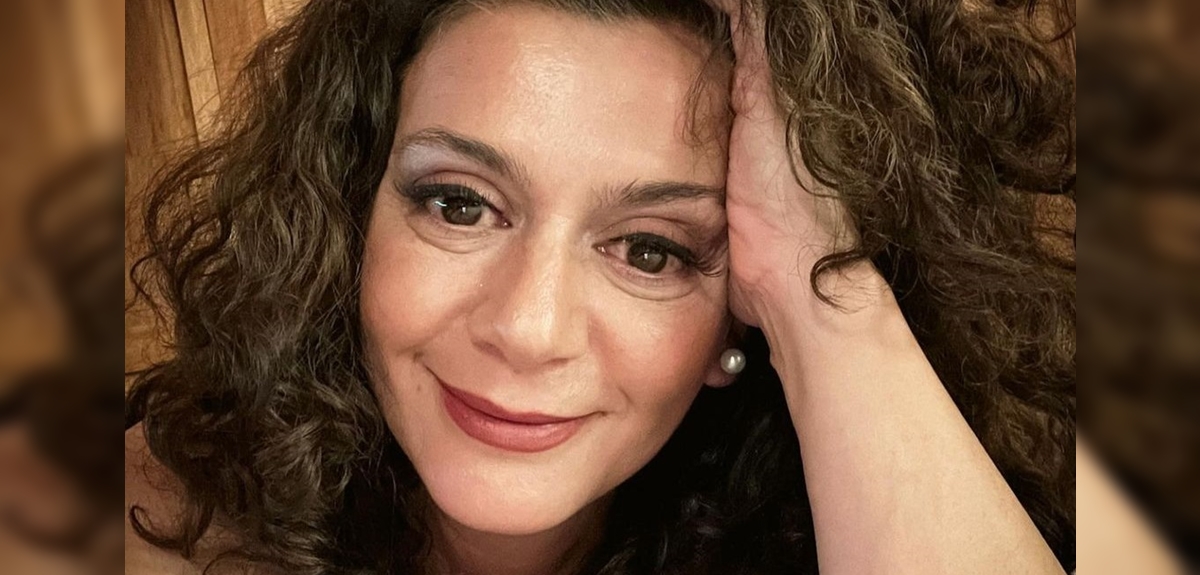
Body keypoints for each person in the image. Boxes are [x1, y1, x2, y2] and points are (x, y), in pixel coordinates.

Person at [124, 0, 1077, 573]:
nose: (529, 327)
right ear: (351, 215)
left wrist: (818, 292)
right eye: (459, 204)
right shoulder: (145, 522)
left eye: (651, 251)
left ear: (736, 323)